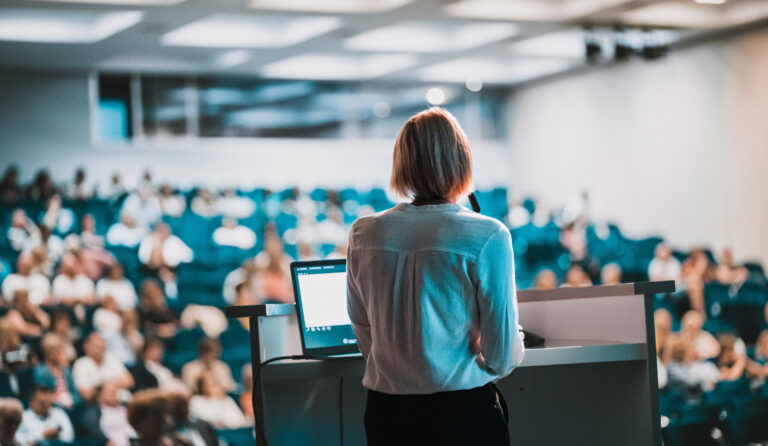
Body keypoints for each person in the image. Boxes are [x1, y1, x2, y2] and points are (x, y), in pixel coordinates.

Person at [346, 108, 524, 445]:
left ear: (402, 163)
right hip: (461, 414)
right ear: (461, 160)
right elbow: (501, 356)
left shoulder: (363, 233)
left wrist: (404, 369)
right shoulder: (488, 235)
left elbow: (364, 329)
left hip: (388, 414)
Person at [72, 332, 134, 400]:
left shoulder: (111, 359)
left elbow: (129, 381)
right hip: (99, 405)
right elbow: (86, 393)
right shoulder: (81, 364)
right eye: (97, 347)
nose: (101, 350)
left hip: (123, 400)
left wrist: (102, 386)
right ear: (86, 346)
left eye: (102, 347)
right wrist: (114, 383)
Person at [33, 334, 80, 410]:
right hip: (53, 408)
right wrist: (59, 402)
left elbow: (76, 394)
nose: (58, 354)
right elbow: (42, 395)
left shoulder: (66, 371)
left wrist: (72, 400)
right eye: (55, 351)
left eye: (60, 350)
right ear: (47, 353)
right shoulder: (41, 372)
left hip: (70, 406)